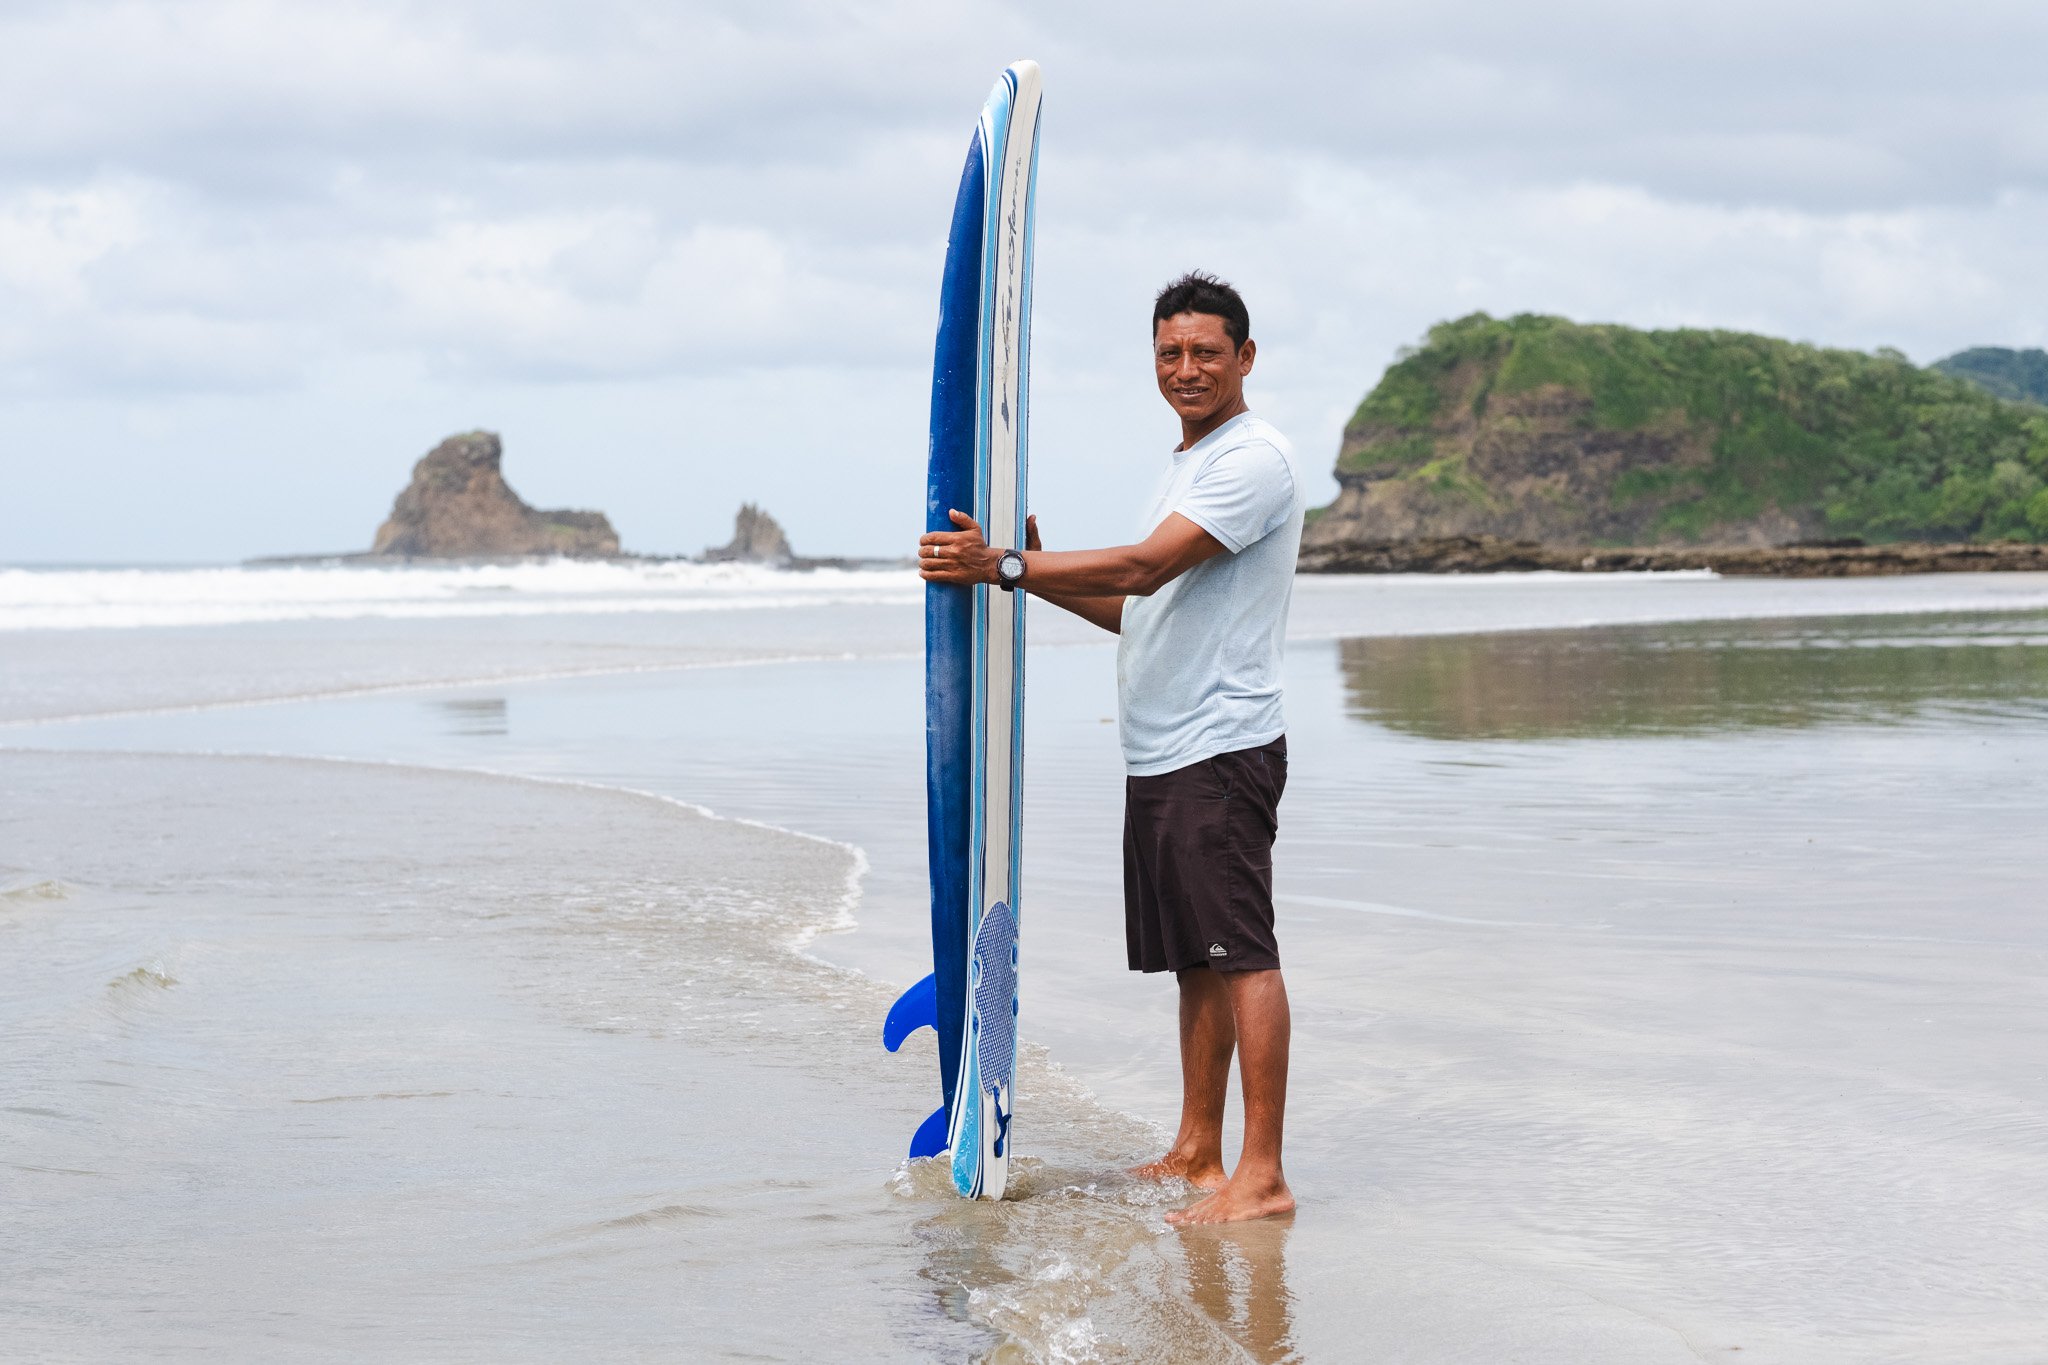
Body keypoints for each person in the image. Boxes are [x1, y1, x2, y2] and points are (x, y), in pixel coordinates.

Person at [918, 271, 1304, 1224]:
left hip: (1220, 747)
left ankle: (1262, 1176)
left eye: (1206, 352)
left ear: (1245, 357)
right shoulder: (1189, 465)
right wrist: (1028, 576)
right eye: (1170, 353)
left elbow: (1144, 567)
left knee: (1243, 954)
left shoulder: (1254, 460)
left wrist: (1007, 563)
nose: (1187, 369)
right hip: (1165, 751)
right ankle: (1197, 1148)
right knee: (1197, 959)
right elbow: (1138, 611)